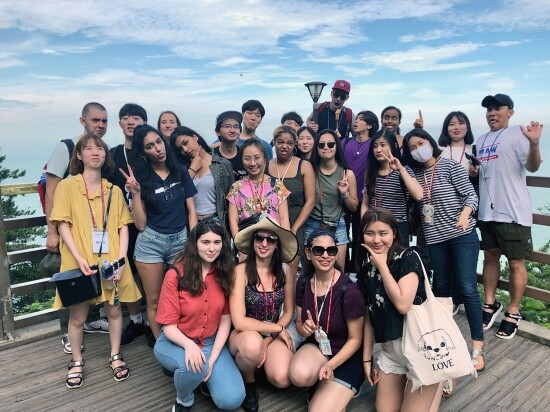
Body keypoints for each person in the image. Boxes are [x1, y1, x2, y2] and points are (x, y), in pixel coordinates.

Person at [50, 134, 142, 388]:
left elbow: (123, 226)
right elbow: (62, 224)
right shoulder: (67, 186)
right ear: (79, 155)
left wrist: (121, 260)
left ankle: (115, 354)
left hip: (111, 258)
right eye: (88, 148)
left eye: (100, 148)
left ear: (105, 155)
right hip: (78, 258)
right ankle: (76, 360)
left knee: (114, 310)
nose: (95, 152)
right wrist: (79, 257)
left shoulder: (113, 189)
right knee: (78, 315)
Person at [402, 128, 484, 372]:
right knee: (440, 289)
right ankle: (446, 339)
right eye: (412, 148)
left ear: (430, 142)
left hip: (462, 236)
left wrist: (465, 214)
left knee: (468, 288)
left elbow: (471, 196)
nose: (418, 150)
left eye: (421, 143)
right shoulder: (413, 173)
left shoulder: (449, 166)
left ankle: (477, 348)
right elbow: (416, 194)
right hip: (435, 238)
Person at [154, 221, 245, 412]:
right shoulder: (175, 274)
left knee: (232, 400)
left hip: (210, 341)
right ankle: (184, 400)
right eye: (205, 242)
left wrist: (212, 359)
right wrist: (189, 346)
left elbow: (225, 320)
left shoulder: (224, 273)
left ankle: (200, 379)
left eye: (217, 242)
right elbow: (168, 327)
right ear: (194, 243)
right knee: (193, 367)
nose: (212, 248)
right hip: (176, 340)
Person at [474, 93, 543, 339]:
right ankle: (490, 303)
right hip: (487, 211)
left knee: (516, 262)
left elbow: (533, 166)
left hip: (513, 211)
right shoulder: (481, 139)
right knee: (490, 256)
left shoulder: (518, 133)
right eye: (488, 109)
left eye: (497, 108)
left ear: (510, 112)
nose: (492, 113)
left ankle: (513, 311)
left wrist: (534, 144)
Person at [121, 124, 197, 347]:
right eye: (149, 146)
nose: (158, 148)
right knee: (154, 300)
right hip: (151, 242)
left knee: (184, 295)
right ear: (143, 153)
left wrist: (193, 241)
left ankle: (184, 342)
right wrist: (135, 194)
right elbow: (140, 224)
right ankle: (161, 346)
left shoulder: (180, 171)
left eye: (158, 142)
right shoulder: (141, 178)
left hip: (180, 241)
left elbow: (191, 210)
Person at [356, 207, 439, 411]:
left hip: (422, 350)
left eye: (383, 233)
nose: (376, 240)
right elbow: (369, 317)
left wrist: (383, 267)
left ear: (394, 233)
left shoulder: (408, 257)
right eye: (370, 233)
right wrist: (367, 358)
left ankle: (440, 379)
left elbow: (402, 305)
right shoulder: (367, 270)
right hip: (392, 352)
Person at [45, 102, 109, 351]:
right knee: (70, 276)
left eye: (104, 120)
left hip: (93, 230)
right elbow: (51, 193)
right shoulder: (67, 147)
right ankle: (67, 332)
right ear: (83, 121)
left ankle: (89, 322)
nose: (100, 125)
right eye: (95, 120)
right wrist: (52, 231)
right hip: (69, 228)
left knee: (90, 273)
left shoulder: (102, 150)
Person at [289, 229, 365, 412]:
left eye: (331, 250)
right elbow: (299, 325)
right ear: (308, 253)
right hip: (319, 347)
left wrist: (330, 364)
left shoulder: (349, 291)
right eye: (318, 250)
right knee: (298, 375)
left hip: (346, 356)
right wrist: (304, 329)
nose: (325, 255)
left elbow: (356, 339)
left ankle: (344, 388)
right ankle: (323, 386)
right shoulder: (303, 283)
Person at [229, 216, 299, 412]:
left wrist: (269, 339)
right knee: (253, 345)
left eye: (271, 239)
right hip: (244, 335)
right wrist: (277, 328)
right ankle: (249, 381)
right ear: (253, 242)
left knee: (282, 378)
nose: (264, 243)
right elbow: (239, 322)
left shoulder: (285, 270)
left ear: (277, 245)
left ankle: (258, 363)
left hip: (272, 333)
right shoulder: (240, 272)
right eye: (259, 237)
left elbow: (289, 310)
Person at [109, 103, 150, 345]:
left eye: (136, 117)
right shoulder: (113, 154)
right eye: (126, 117)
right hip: (122, 224)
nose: (131, 121)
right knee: (127, 272)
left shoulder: (149, 151)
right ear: (120, 123)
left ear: (145, 123)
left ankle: (153, 321)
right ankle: (136, 320)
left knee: (150, 272)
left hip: (150, 221)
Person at [305, 130, 359, 268]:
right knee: (309, 271)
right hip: (312, 223)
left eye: (330, 144)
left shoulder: (347, 174)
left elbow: (354, 207)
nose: (326, 148)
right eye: (321, 145)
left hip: (337, 225)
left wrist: (344, 194)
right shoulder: (310, 170)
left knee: (338, 272)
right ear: (316, 148)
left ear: (336, 147)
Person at [360, 129, 423, 246]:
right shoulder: (370, 173)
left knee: (398, 257)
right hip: (374, 226)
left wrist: (400, 169)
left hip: (398, 227)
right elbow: (365, 203)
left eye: (383, 145)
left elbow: (418, 195)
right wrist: (365, 224)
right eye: (375, 146)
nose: (378, 150)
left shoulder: (404, 170)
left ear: (393, 146)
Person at [267, 125, 315, 271]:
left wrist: (294, 228)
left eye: (289, 143)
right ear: (274, 142)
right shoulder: (266, 166)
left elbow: (310, 201)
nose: (284, 146)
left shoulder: (304, 166)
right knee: (270, 269)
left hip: (296, 223)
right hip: (271, 223)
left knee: (290, 270)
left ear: (294, 145)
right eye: (280, 142)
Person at [170, 125, 234, 225]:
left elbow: (232, 199)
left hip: (216, 222)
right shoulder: (182, 170)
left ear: (195, 137)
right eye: (180, 149)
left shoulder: (221, 164)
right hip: (190, 223)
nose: (185, 149)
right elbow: (176, 196)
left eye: (186, 143)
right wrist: (192, 170)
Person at [226, 138, 290, 239]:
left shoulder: (277, 185)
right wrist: (239, 244)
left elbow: (284, 218)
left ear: (264, 158)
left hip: (273, 241)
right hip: (247, 241)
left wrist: (285, 241)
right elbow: (233, 221)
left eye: (257, 158)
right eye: (247, 158)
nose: (252, 163)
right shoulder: (236, 187)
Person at [343, 110, 379, 271]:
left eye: (361, 119)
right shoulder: (345, 143)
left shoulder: (374, 145)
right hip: (344, 196)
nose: (356, 121)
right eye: (356, 118)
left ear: (369, 125)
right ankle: (343, 268)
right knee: (342, 234)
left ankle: (358, 270)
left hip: (364, 198)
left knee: (360, 234)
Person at [212, 110, 247, 181]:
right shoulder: (211, 157)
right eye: (227, 126)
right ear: (218, 132)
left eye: (236, 127)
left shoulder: (245, 155)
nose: (232, 130)